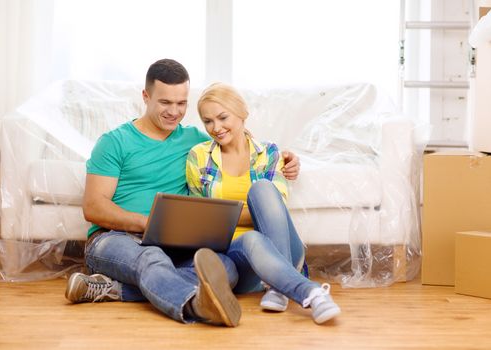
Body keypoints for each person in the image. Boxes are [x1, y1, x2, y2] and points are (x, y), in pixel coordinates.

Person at [64, 59, 300, 327]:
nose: (174, 112)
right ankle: (194, 303)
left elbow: (238, 140)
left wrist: (285, 159)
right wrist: (148, 224)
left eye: (181, 103)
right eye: (165, 102)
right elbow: (93, 207)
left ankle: (112, 290)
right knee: (151, 258)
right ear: (146, 96)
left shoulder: (195, 140)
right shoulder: (115, 142)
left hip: (174, 243)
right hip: (115, 239)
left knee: (226, 269)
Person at [186, 83, 341, 324]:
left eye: (222, 117)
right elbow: (199, 218)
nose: (216, 128)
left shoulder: (269, 153)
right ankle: (308, 292)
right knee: (251, 239)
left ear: (241, 113)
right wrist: (245, 216)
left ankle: (279, 287)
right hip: (236, 256)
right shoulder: (198, 156)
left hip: (284, 249)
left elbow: (272, 211)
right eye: (207, 121)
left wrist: (223, 215)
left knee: (262, 190)